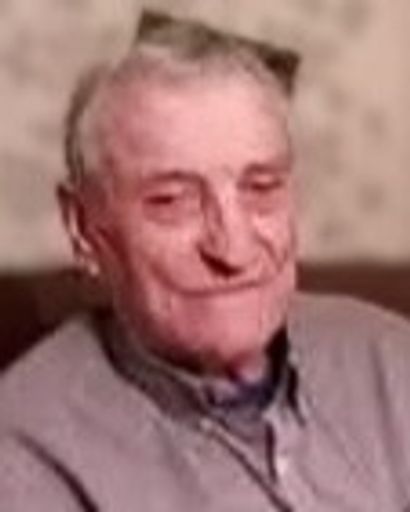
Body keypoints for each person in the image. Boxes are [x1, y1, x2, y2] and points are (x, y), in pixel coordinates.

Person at [1, 11, 410, 512]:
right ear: (85, 227)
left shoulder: (391, 359)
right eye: (172, 200)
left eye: (261, 188)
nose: (233, 251)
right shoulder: (26, 454)